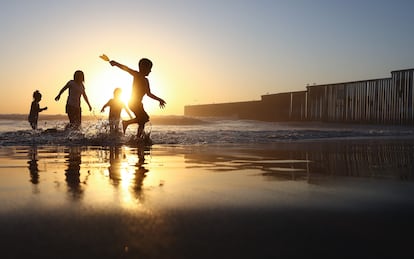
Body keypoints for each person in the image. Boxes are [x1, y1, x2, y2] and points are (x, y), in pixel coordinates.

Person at [108, 58, 166, 139]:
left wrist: (159, 99)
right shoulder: (137, 75)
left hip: (138, 103)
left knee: (142, 121)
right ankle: (126, 123)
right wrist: (116, 64)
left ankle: (138, 137)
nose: (150, 71)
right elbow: (126, 69)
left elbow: (149, 94)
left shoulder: (146, 81)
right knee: (145, 118)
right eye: (149, 69)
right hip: (133, 103)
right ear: (143, 68)